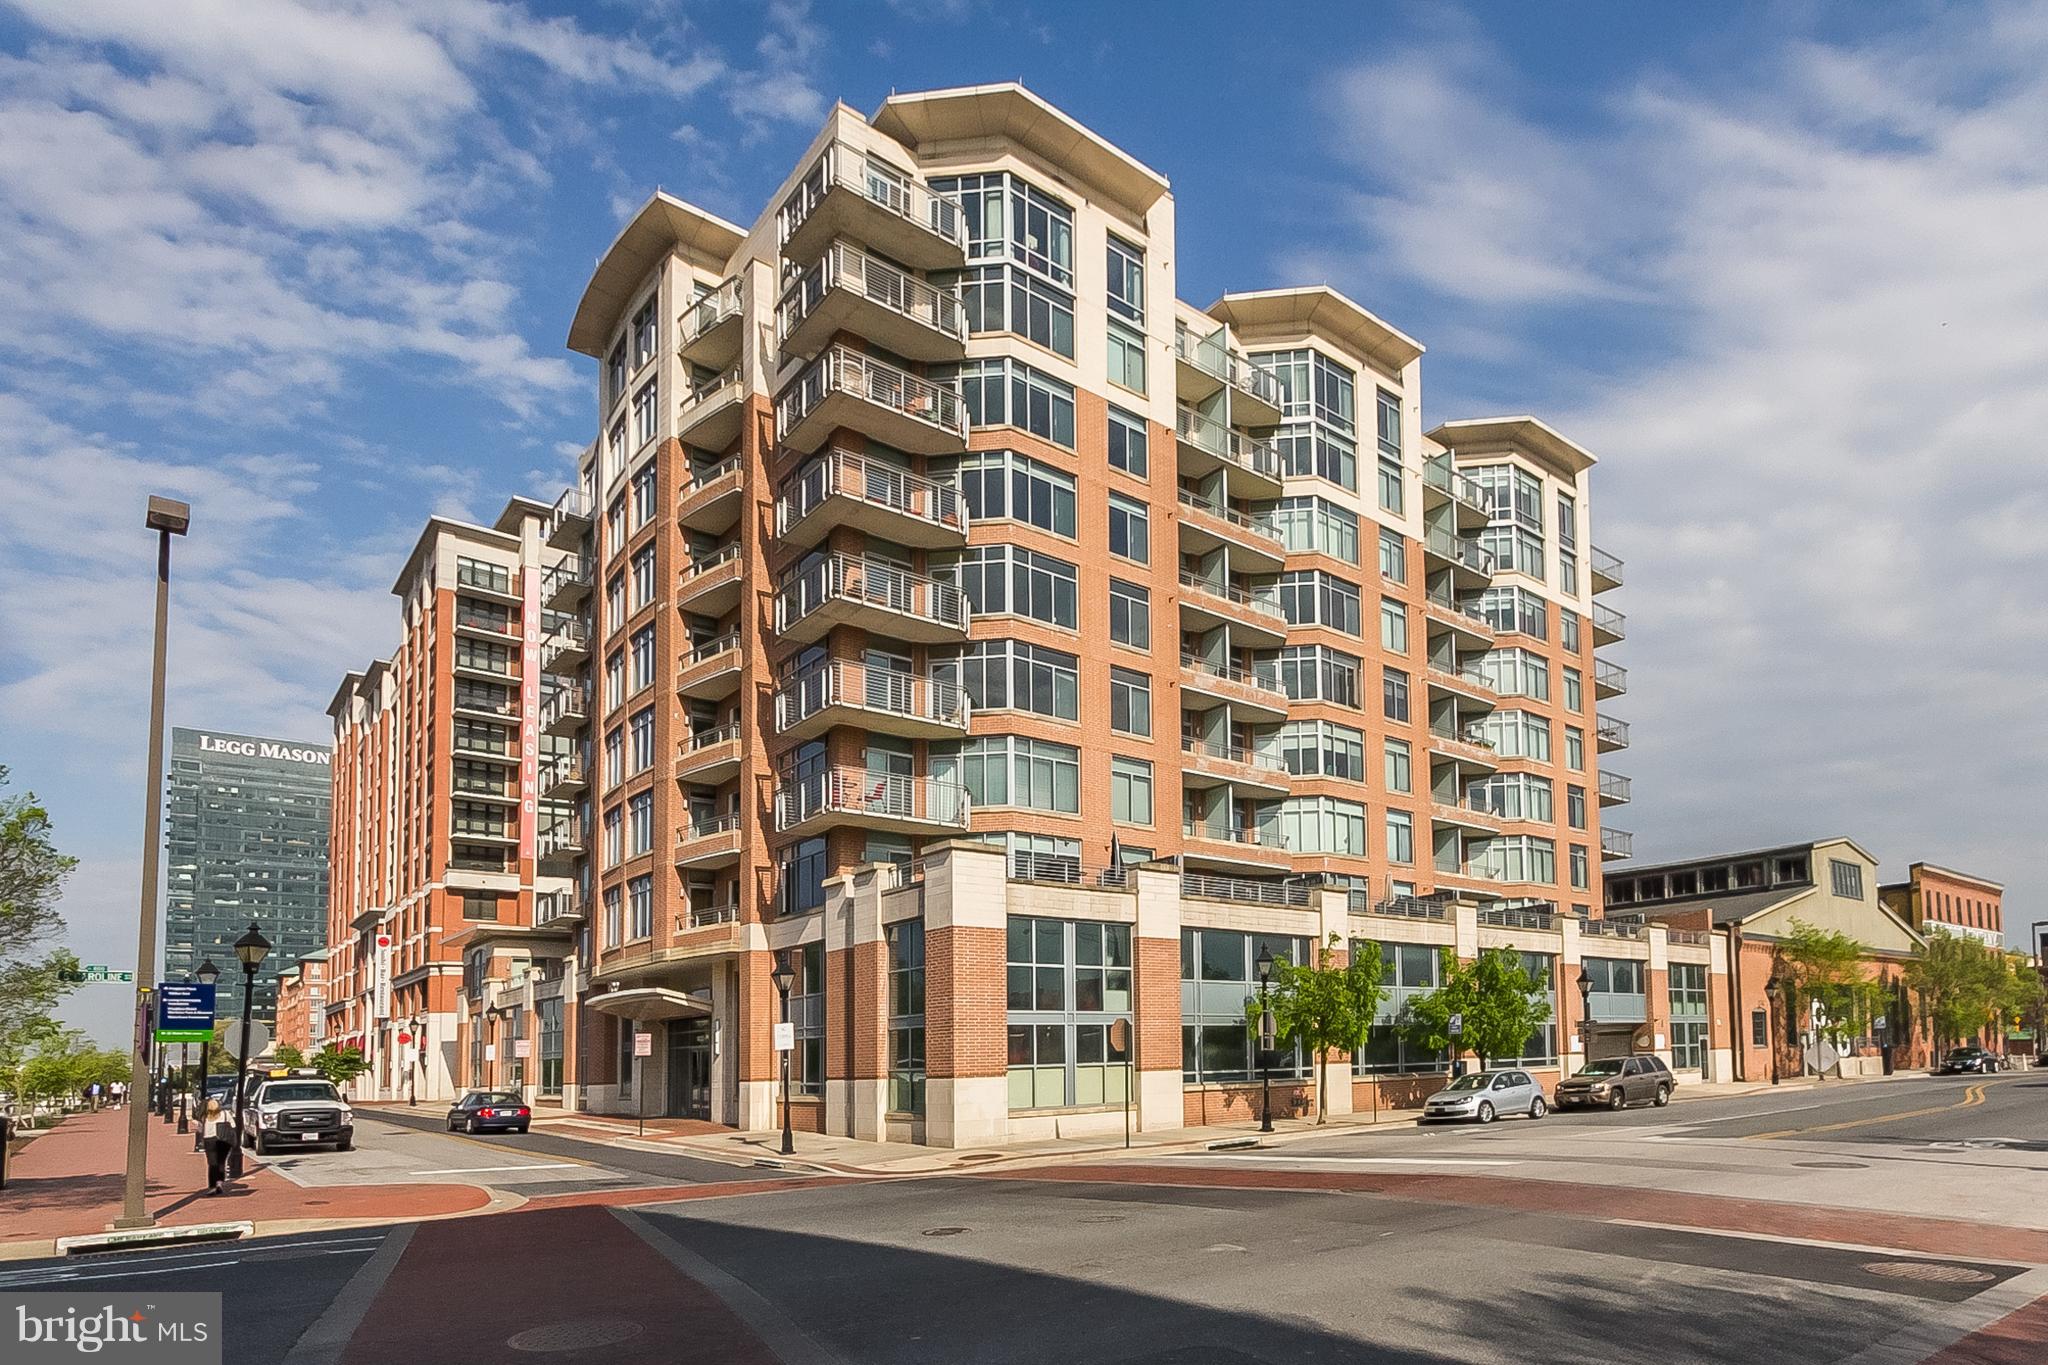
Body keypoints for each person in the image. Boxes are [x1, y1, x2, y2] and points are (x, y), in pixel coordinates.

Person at [201, 1097, 235, 1194]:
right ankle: (219, 1183)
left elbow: (200, 1129)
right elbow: (233, 1125)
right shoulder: (225, 1114)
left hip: (209, 1140)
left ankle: (212, 1186)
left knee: (212, 1164)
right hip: (223, 1140)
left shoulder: (205, 1117)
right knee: (221, 1162)